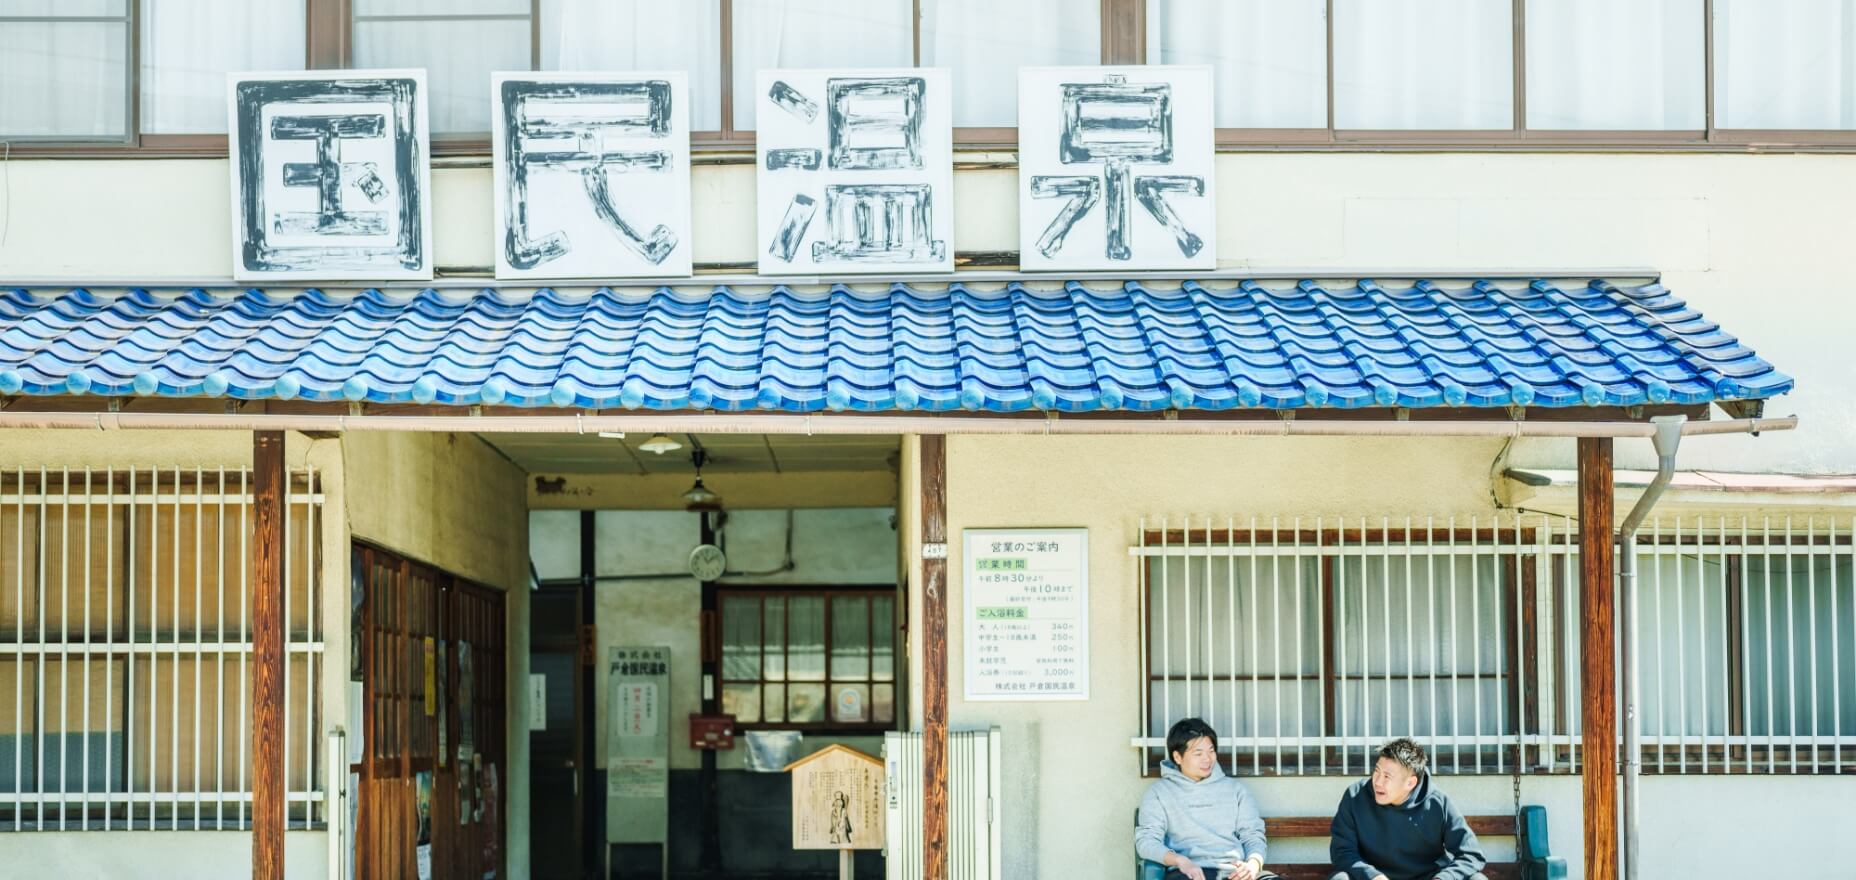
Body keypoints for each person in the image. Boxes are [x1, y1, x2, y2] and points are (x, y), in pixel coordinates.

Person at [1136, 718, 1276, 880]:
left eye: (1211, 751)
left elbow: (1253, 835)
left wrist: (1252, 865)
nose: (1207, 759)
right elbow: (1146, 842)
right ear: (1177, 757)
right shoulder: (1159, 793)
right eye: (1198, 753)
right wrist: (1180, 861)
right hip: (1188, 873)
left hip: (1235, 871)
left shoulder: (1236, 790)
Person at [1329, 738, 1487, 880]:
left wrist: (1443, 878)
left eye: (1387, 777)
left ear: (1410, 783)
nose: (1377, 782)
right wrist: (1372, 876)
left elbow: (1471, 855)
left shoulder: (1438, 803)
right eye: (1377, 771)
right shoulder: (1355, 796)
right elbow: (1342, 851)